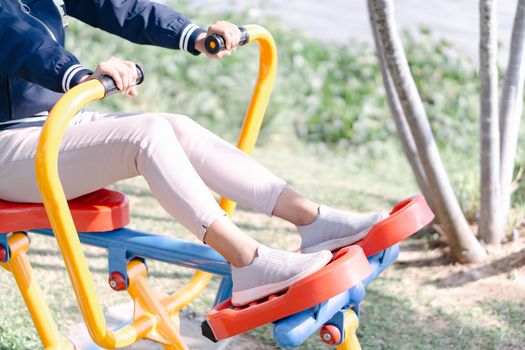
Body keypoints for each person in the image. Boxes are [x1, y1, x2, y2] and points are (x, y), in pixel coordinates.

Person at [0, 0, 386, 306]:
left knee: (176, 126)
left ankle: (314, 221)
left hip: (57, 126)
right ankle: (248, 262)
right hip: (10, 149)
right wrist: (78, 74)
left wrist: (196, 36)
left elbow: (122, 7)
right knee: (146, 134)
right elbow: (18, 41)